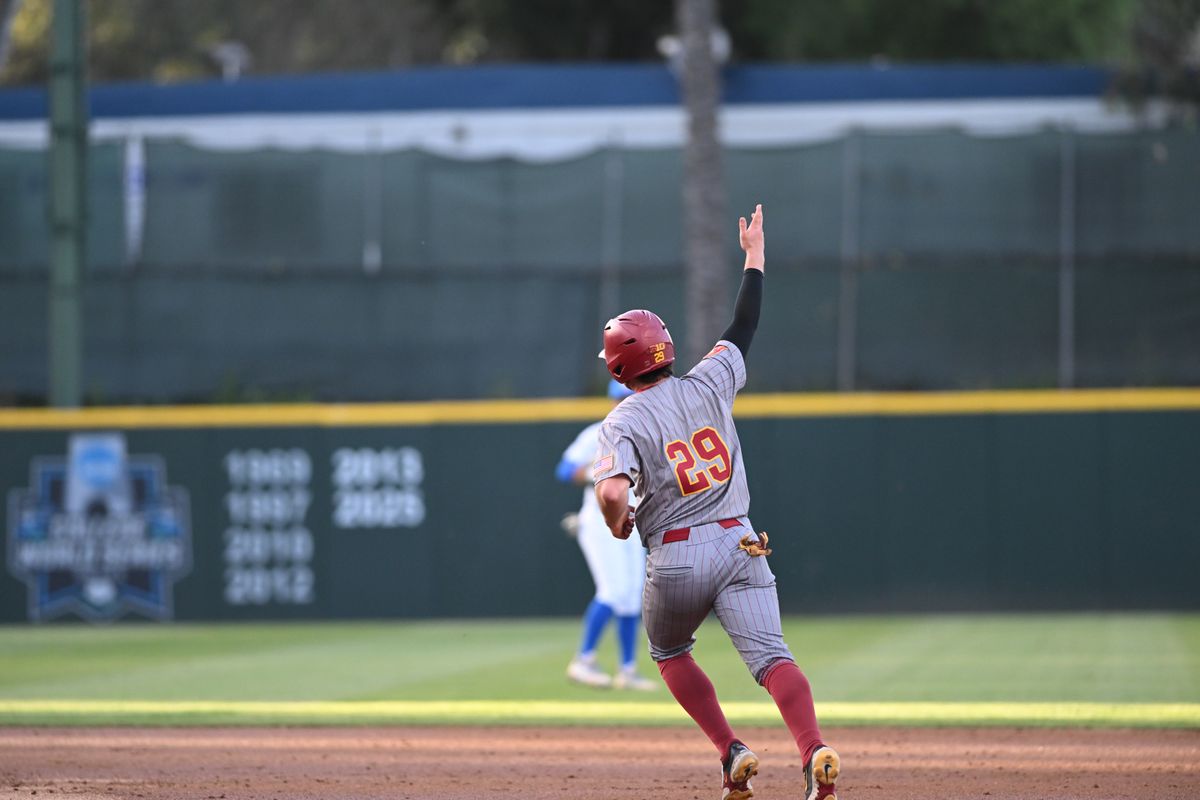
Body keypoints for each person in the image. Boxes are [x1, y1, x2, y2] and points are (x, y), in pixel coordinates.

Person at [592, 204, 840, 800]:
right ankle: (813, 750)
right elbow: (743, 325)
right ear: (667, 348)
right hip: (740, 541)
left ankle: (732, 751)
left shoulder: (620, 419)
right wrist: (753, 254)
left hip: (676, 556)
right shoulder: (710, 380)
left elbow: (611, 491)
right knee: (774, 659)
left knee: (670, 651)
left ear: (621, 368)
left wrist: (619, 522)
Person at [555, 379, 657, 691]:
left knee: (631, 597)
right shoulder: (597, 433)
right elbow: (564, 469)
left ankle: (627, 671)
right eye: (620, 399)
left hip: (634, 520)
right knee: (612, 592)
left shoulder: (648, 436)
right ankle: (583, 661)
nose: (624, 403)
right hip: (600, 522)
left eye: (629, 398)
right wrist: (598, 470)